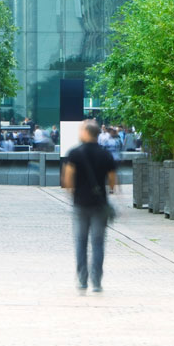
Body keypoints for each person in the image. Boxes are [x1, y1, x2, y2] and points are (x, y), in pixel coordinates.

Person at [62, 120, 118, 293]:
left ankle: (82, 279)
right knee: (98, 243)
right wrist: (108, 190)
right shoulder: (105, 154)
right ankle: (97, 281)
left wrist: (73, 193)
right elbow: (112, 180)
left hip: (80, 203)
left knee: (80, 242)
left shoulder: (74, 153)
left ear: (86, 132)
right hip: (100, 204)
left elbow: (68, 179)